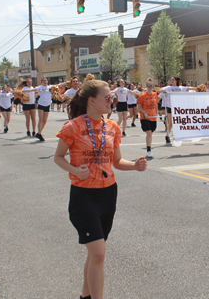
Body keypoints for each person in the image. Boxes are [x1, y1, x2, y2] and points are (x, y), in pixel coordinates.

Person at [54, 75, 147, 299]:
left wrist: (134, 166)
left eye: (112, 98)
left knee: (95, 254)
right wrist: (75, 170)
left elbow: (116, 162)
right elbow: (58, 157)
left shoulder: (112, 127)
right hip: (83, 195)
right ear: (92, 101)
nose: (111, 101)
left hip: (108, 193)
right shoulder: (72, 127)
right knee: (98, 253)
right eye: (107, 98)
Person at [157, 76, 195, 143]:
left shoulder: (181, 88)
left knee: (179, 122)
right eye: (171, 80)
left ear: (176, 81)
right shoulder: (169, 88)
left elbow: (189, 88)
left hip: (178, 108)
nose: (171, 81)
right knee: (171, 123)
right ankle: (167, 136)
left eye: (173, 80)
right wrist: (153, 90)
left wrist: (198, 88)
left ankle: (178, 135)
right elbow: (161, 90)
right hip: (170, 107)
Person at [137, 80, 159, 158]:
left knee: (151, 133)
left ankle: (148, 146)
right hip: (145, 117)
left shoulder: (154, 94)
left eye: (151, 86)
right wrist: (144, 112)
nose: (150, 87)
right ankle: (149, 150)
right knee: (149, 132)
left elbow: (155, 104)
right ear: (146, 87)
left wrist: (156, 112)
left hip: (153, 117)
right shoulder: (142, 96)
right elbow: (139, 107)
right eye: (149, 86)